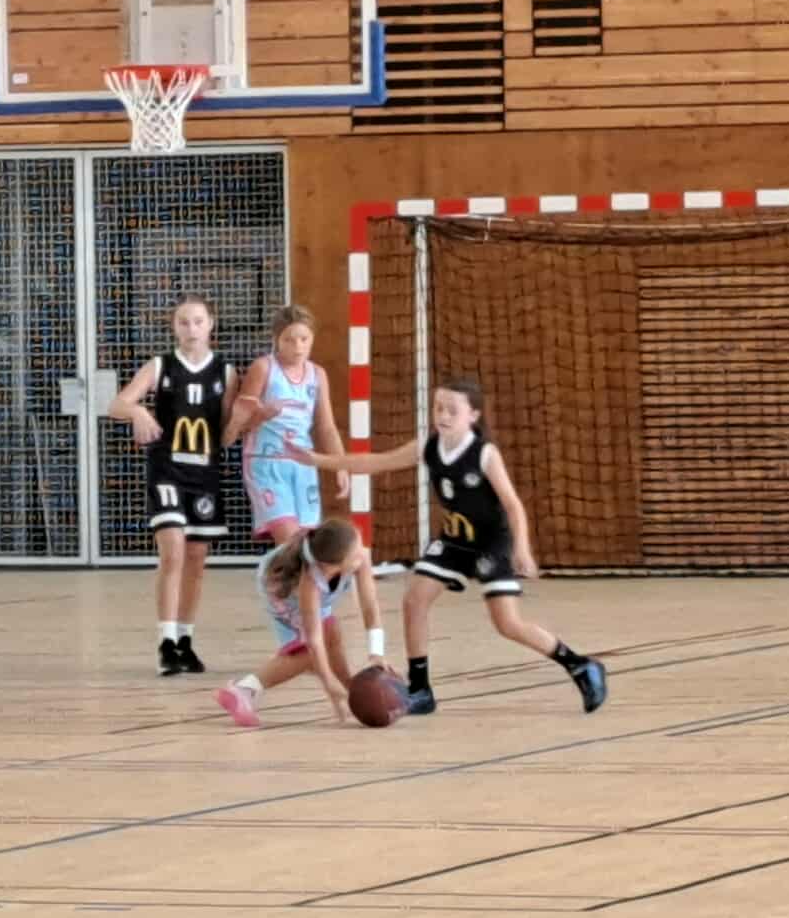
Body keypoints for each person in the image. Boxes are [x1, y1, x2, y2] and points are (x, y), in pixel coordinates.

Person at [297, 377, 607, 716]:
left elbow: (512, 504)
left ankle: (580, 665)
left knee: (507, 624)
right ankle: (420, 689)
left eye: (452, 410)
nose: (443, 415)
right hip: (454, 540)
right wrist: (318, 460)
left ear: (473, 415)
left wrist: (522, 549)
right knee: (414, 600)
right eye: (438, 408)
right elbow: (375, 462)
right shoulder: (428, 446)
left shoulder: (484, 454)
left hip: (490, 543)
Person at [230, 303, 382, 647]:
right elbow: (239, 423)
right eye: (290, 340)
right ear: (276, 340)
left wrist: (339, 464)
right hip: (266, 462)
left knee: (312, 547)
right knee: (291, 543)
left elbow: (325, 426)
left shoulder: (317, 375)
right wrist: (262, 415)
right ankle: (296, 623)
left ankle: (307, 617)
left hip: (303, 466)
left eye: (304, 339)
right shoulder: (263, 369)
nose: (297, 347)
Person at [108, 294, 237, 675]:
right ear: (174, 327)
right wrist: (137, 411)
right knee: (173, 552)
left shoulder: (226, 373)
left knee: (196, 560)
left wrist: (252, 416)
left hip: (204, 474)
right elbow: (117, 404)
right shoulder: (160, 366)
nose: (191, 328)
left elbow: (227, 432)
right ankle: (165, 641)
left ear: (211, 324)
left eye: (198, 321)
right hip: (167, 470)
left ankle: (184, 640)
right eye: (184, 322)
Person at [214, 517, 384, 728]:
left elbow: (370, 606)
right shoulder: (309, 582)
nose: (362, 553)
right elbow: (314, 641)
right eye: (356, 553)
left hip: (305, 581)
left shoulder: (356, 556)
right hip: (280, 589)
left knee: (332, 632)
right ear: (331, 567)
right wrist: (328, 682)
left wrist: (377, 653)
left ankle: (351, 693)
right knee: (309, 652)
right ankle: (245, 689)